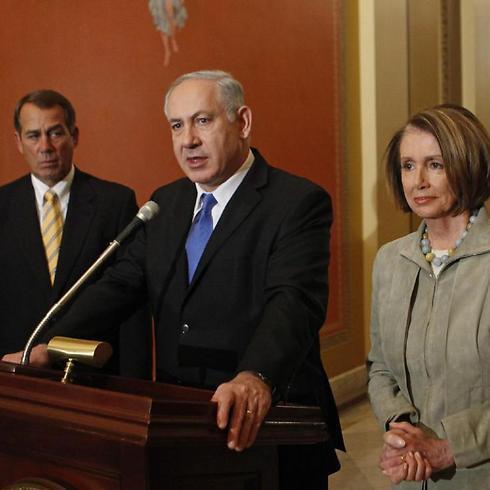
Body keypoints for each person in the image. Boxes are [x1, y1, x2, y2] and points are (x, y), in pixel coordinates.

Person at [4, 71, 344, 489]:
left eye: (203, 121)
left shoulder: (295, 202)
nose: (188, 140)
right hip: (179, 425)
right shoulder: (166, 203)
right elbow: (119, 286)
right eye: (177, 126)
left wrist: (256, 375)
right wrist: (45, 347)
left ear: (243, 122)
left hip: (266, 425)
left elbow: (292, 303)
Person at [367, 104, 490, 488]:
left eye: (435, 164)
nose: (417, 180)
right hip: (412, 475)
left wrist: (449, 446)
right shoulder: (390, 260)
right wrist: (400, 427)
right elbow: (380, 367)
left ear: (468, 164)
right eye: (407, 165)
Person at [0, 89, 151, 378]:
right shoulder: (2, 206)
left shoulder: (115, 202)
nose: (45, 146)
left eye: (55, 133)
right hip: (15, 374)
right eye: (33, 136)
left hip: (93, 377)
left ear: (75, 135)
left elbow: (133, 307)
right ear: (19, 142)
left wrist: (136, 384)